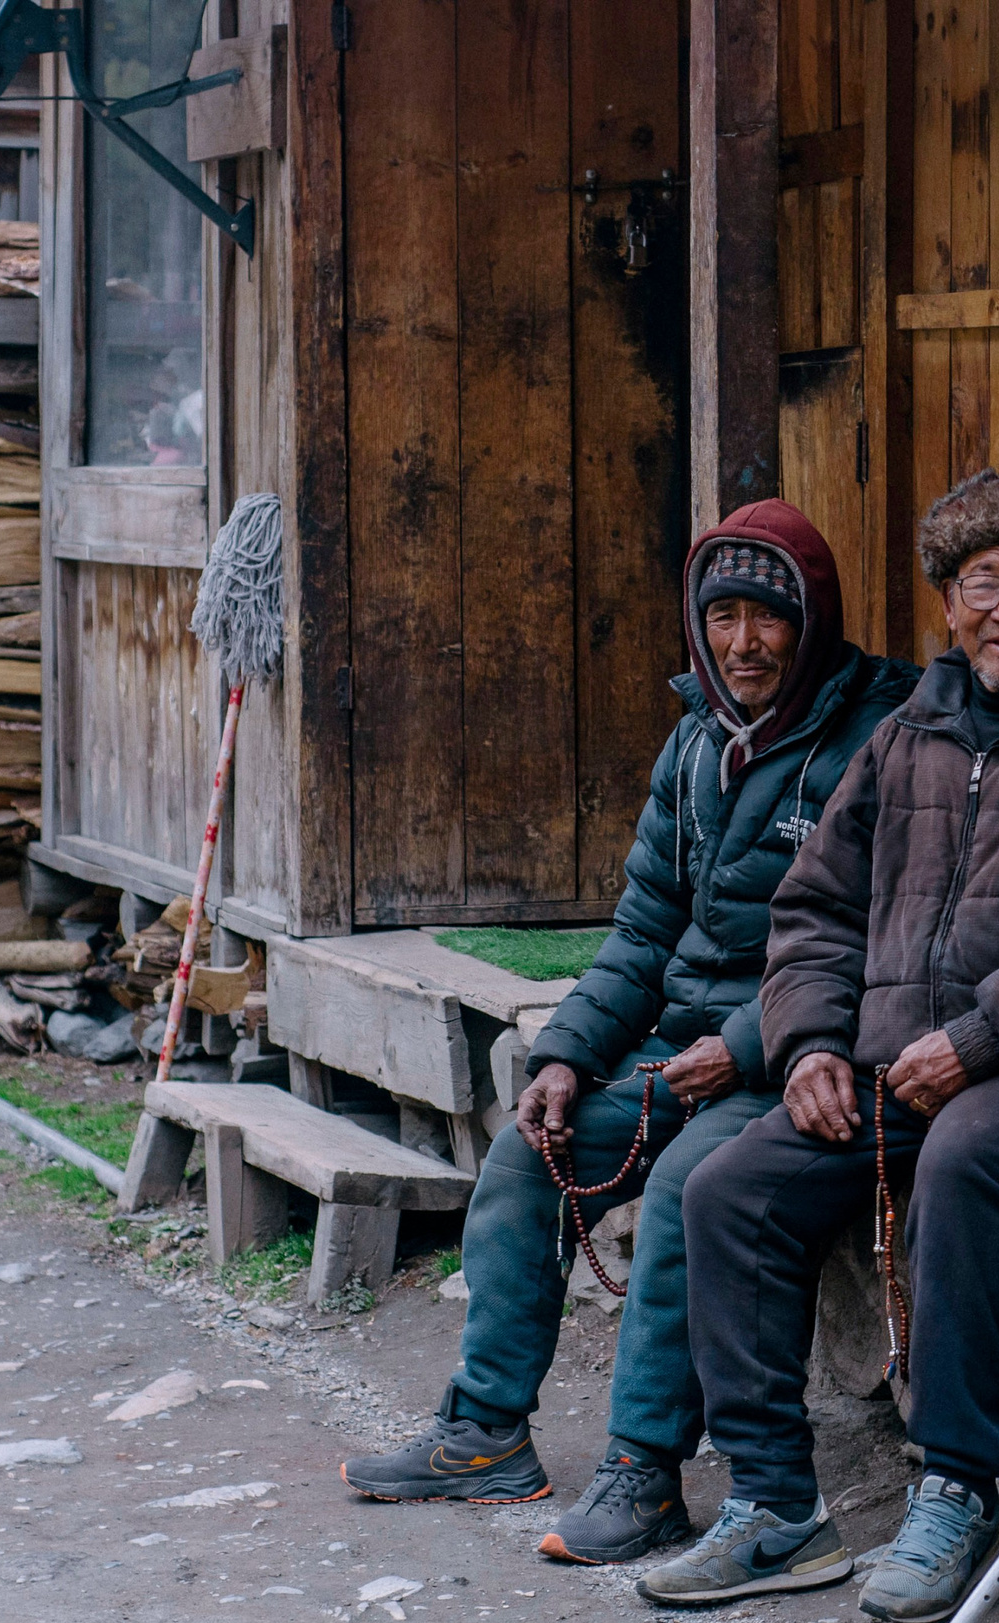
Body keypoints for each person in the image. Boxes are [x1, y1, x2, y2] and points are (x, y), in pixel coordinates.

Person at [636, 461, 999, 1623]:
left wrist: (978, 1035)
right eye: (982, 582)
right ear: (947, 602)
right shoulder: (908, 733)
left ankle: (955, 1485)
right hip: (902, 1059)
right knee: (727, 1186)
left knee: (963, 1154)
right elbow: (813, 910)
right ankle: (773, 1508)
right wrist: (807, 1045)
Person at [339, 500, 918, 1567]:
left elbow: (883, 943)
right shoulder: (697, 744)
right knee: (528, 1152)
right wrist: (568, 1051)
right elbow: (646, 928)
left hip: (798, 1056)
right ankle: (483, 1435)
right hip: (680, 1049)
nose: (744, 644)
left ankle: (645, 1475)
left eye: (768, 619)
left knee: (694, 1193)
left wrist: (745, 1049)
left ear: (814, 621)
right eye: (725, 617)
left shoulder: (876, 747)